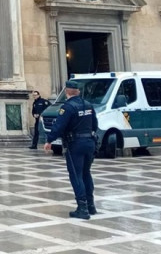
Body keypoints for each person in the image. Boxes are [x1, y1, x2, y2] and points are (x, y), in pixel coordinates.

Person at [44, 80, 98, 219]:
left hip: (76, 144)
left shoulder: (67, 107)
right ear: (78, 92)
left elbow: (59, 126)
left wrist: (49, 140)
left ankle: (82, 208)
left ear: (67, 92)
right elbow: (95, 124)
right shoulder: (88, 105)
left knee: (76, 175)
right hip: (90, 142)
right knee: (86, 173)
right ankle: (91, 205)